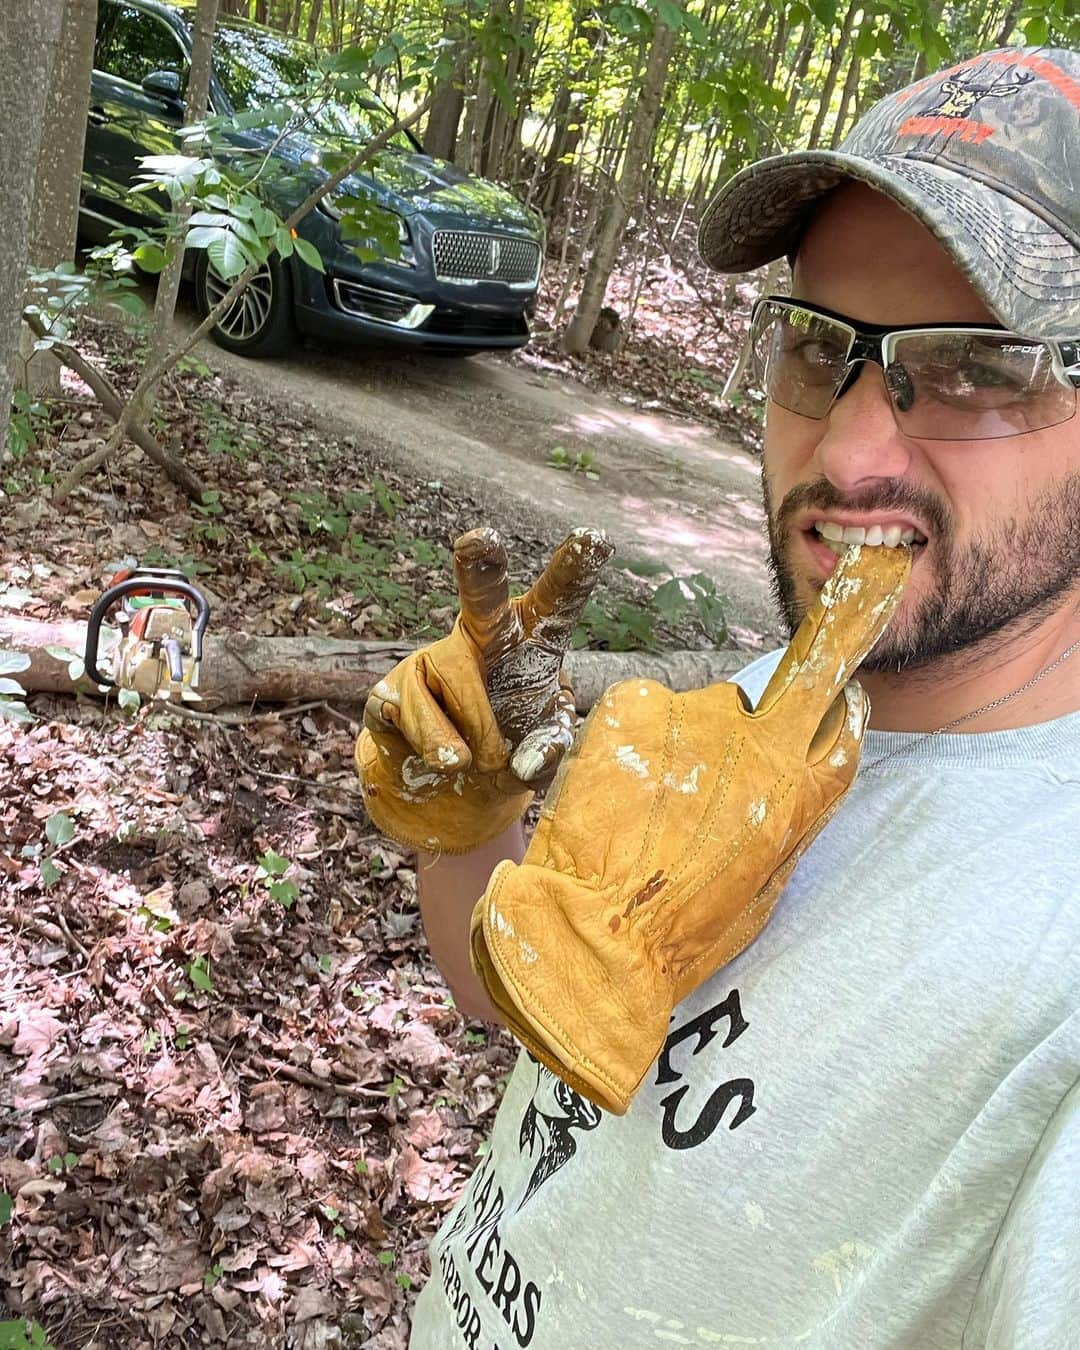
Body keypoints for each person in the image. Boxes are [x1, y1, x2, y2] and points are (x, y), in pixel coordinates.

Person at [377, 45, 1080, 1349]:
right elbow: (528, 1007)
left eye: (982, 365)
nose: (854, 451)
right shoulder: (766, 701)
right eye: (822, 347)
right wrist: (465, 827)